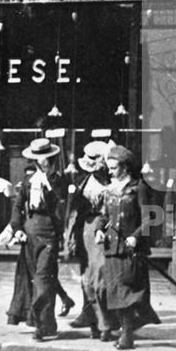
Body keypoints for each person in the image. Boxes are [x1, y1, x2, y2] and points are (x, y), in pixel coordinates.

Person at [93, 145, 160, 350]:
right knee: (113, 291)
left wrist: (136, 237)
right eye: (109, 168)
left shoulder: (138, 188)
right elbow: (103, 216)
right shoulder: (110, 190)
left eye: (114, 168)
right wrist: (99, 230)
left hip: (131, 250)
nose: (110, 171)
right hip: (112, 248)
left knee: (127, 291)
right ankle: (123, 330)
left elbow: (150, 219)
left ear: (125, 167)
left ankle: (127, 336)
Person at [6, 138, 66, 341]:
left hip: (49, 232)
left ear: (52, 157)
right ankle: (45, 324)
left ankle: (42, 326)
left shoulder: (58, 180)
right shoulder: (28, 181)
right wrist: (17, 229)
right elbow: (17, 205)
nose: (43, 162)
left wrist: (47, 185)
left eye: (46, 158)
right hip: (30, 233)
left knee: (43, 279)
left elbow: (59, 205)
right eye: (39, 159)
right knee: (34, 279)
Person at [64, 141, 112, 339]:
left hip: (103, 232)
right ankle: (93, 320)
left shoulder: (111, 182)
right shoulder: (83, 181)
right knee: (86, 279)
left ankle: (106, 323)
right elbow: (73, 210)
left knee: (99, 278)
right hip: (85, 230)